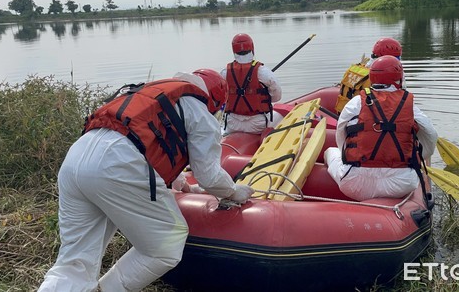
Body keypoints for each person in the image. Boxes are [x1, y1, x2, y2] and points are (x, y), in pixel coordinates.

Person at [37, 69, 254, 292]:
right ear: (214, 101)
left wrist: (182, 183)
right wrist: (233, 191)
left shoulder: (154, 95)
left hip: (75, 160)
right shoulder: (200, 110)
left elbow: (146, 142)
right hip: (117, 165)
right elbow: (209, 175)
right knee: (168, 243)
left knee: (73, 262)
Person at [324, 56, 438, 201]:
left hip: (355, 185)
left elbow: (341, 136)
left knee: (331, 151)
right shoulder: (410, 106)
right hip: (401, 185)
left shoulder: (355, 103)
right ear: (400, 79)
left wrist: (347, 157)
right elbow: (431, 136)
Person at [221, 33, 282, 134]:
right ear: (252, 48)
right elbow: (277, 97)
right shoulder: (263, 72)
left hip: (233, 125)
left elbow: (221, 98)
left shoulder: (225, 72)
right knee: (281, 117)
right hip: (257, 125)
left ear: (233, 50)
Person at [335, 37, 403, 114]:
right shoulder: (379, 74)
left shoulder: (356, 69)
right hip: (363, 117)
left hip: (343, 112)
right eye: (397, 58)